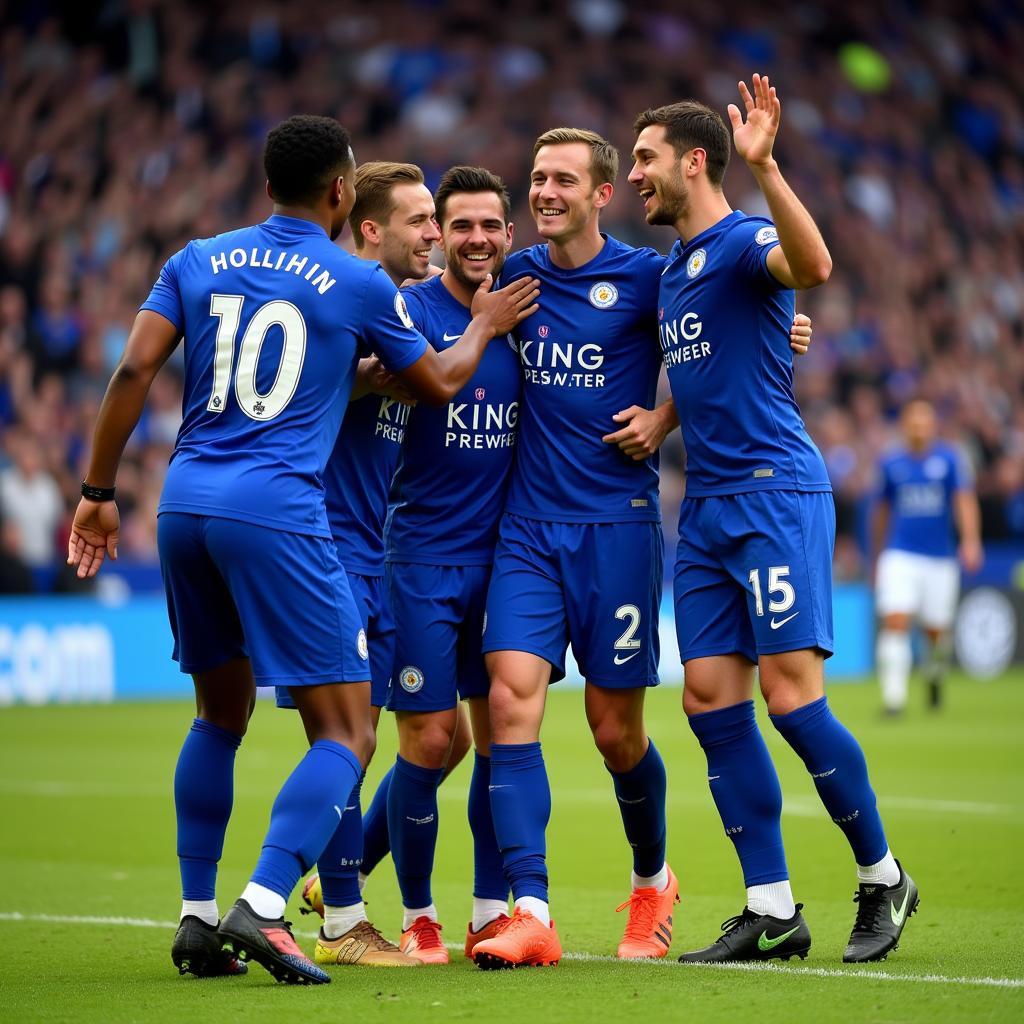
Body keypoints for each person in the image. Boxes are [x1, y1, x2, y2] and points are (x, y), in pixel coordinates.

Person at [67, 114, 538, 985]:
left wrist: (98, 495)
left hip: (182, 502)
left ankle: (198, 918)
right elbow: (436, 381)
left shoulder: (197, 257)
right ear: (340, 193)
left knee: (218, 715)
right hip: (280, 513)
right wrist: (479, 328)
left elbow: (133, 371)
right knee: (349, 734)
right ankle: (269, 901)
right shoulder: (356, 281)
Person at [471, 127, 814, 971]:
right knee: (511, 701)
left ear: (602, 193)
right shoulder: (513, 279)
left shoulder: (647, 278)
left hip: (619, 530)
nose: (543, 191)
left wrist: (663, 418)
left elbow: (719, 340)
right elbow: (440, 294)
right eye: (536, 176)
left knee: (614, 730)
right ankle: (531, 909)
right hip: (527, 529)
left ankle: (653, 882)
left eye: (562, 179)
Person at [628, 75, 917, 965]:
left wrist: (769, 169)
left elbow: (816, 268)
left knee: (792, 697)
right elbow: (716, 363)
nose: (637, 173)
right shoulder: (676, 270)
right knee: (709, 697)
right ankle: (772, 908)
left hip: (773, 494)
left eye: (646, 159)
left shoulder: (749, 236)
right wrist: (662, 418)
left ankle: (882, 877)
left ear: (695, 160)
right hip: (708, 508)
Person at [284, 160, 460, 968]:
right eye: (420, 219)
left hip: (375, 551)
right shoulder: (342, 297)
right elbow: (306, 392)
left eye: (437, 219)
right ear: (368, 229)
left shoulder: (389, 309)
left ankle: (333, 888)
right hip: (325, 550)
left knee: (431, 741)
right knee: (346, 738)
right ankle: (339, 917)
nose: (434, 231)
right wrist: (356, 379)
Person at [873, 398, 982, 713]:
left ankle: (934, 674)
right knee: (895, 620)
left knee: (936, 631)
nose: (919, 428)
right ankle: (894, 699)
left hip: (940, 558)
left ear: (933, 426)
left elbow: (964, 500)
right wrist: (878, 555)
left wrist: (971, 541)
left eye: (924, 422)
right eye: (913, 422)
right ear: (904, 426)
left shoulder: (949, 459)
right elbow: (880, 512)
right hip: (900, 554)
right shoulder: (891, 464)